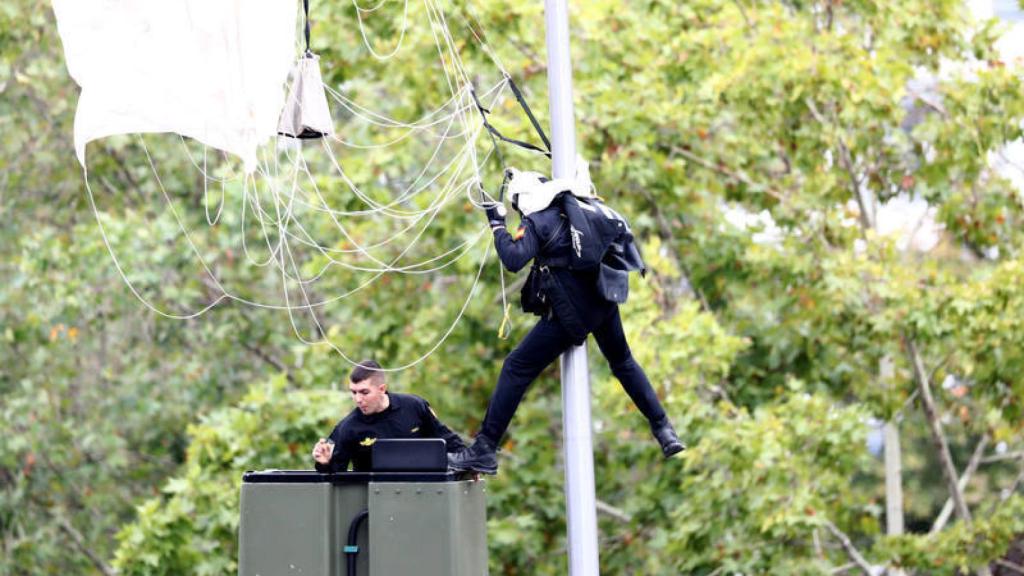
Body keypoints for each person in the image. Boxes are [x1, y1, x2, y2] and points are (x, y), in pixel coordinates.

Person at [448, 177, 684, 475]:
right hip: (604, 301)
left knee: (516, 367)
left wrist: (497, 224)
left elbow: (513, 258)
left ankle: (484, 448)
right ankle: (664, 429)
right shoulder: (581, 208)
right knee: (622, 361)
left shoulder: (539, 220)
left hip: (572, 314)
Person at [312, 360, 466, 472]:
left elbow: (448, 440)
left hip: (421, 492)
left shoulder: (414, 406)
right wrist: (324, 463)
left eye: (364, 392)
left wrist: (469, 465)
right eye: (353, 392)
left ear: (382, 389)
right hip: (373, 501)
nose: (358, 399)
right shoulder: (348, 427)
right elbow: (336, 475)